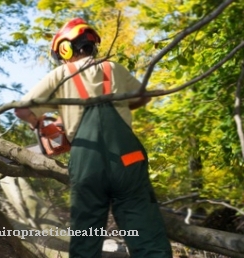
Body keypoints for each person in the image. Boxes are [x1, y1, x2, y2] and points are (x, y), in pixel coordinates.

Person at [15, 17, 173, 258]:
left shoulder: (62, 74)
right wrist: (119, 105)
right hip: (127, 159)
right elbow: (143, 97)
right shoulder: (114, 69)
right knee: (146, 235)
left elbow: (23, 110)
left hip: (88, 162)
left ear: (65, 49)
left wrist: (40, 122)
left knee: (86, 238)